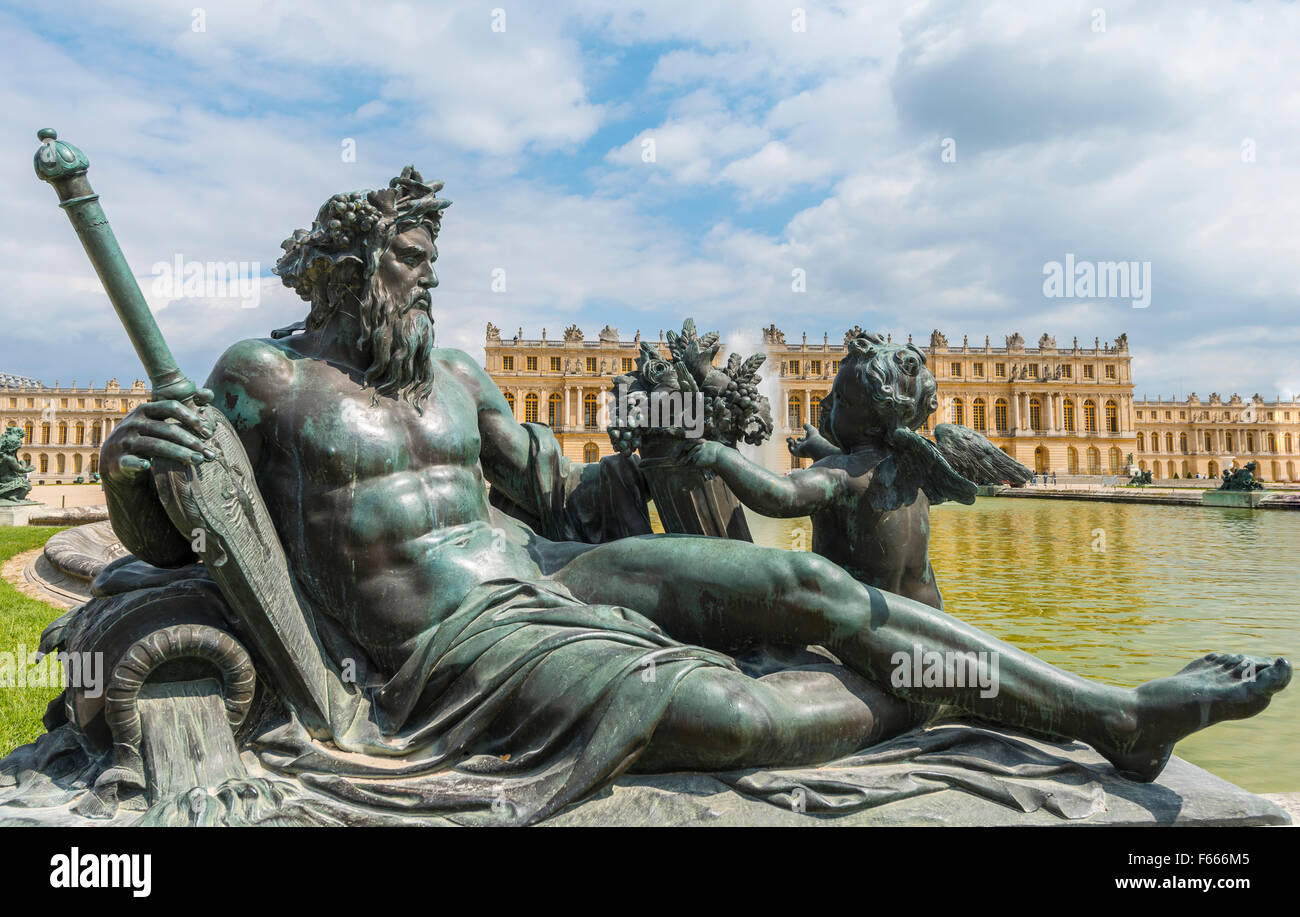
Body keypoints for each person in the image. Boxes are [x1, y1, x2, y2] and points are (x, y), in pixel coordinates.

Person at [100, 169, 1288, 809]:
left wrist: (673, 445)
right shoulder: (263, 377)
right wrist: (131, 464)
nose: (428, 280)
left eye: (430, 265)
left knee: (798, 577)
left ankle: (1109, 718)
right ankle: (938, 694)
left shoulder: (458, 373)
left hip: (544, 573)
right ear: (351, 266)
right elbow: (175, 538)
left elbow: (564, 491)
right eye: (411, 263)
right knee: (726, 716)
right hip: (448, 650)